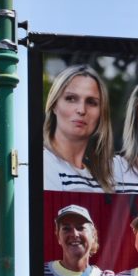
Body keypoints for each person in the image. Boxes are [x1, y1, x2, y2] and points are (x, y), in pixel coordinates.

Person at [43, 65, 114, 193]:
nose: (81, 110)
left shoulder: (104, 178)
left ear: (101, 113)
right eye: (71, 99)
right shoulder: (43, 162)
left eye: (91, 102)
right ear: (54, 105)